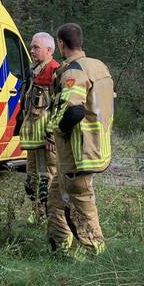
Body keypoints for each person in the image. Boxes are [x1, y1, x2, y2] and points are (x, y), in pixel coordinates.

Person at [45, 23, 114, 258]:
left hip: (77, 152)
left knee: (82, 207)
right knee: (55, 197)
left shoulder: (74, 71)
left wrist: (57, 129)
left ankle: (97, 256)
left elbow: (74, 111)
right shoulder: (99, 66)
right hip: (96, 146)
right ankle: (60, 246)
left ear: (61, 44)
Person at [16, 32, 59, 224]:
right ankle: (37, 211)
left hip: (46, 139)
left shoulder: (54, 71)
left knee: (46, 177)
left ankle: (52, 215)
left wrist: (51, 135)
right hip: (32, 136)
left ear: (49, 50)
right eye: (31, 47)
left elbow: (60, 106)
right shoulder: (33, 71)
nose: (32, 50)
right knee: (31, 178)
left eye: (36, 47)